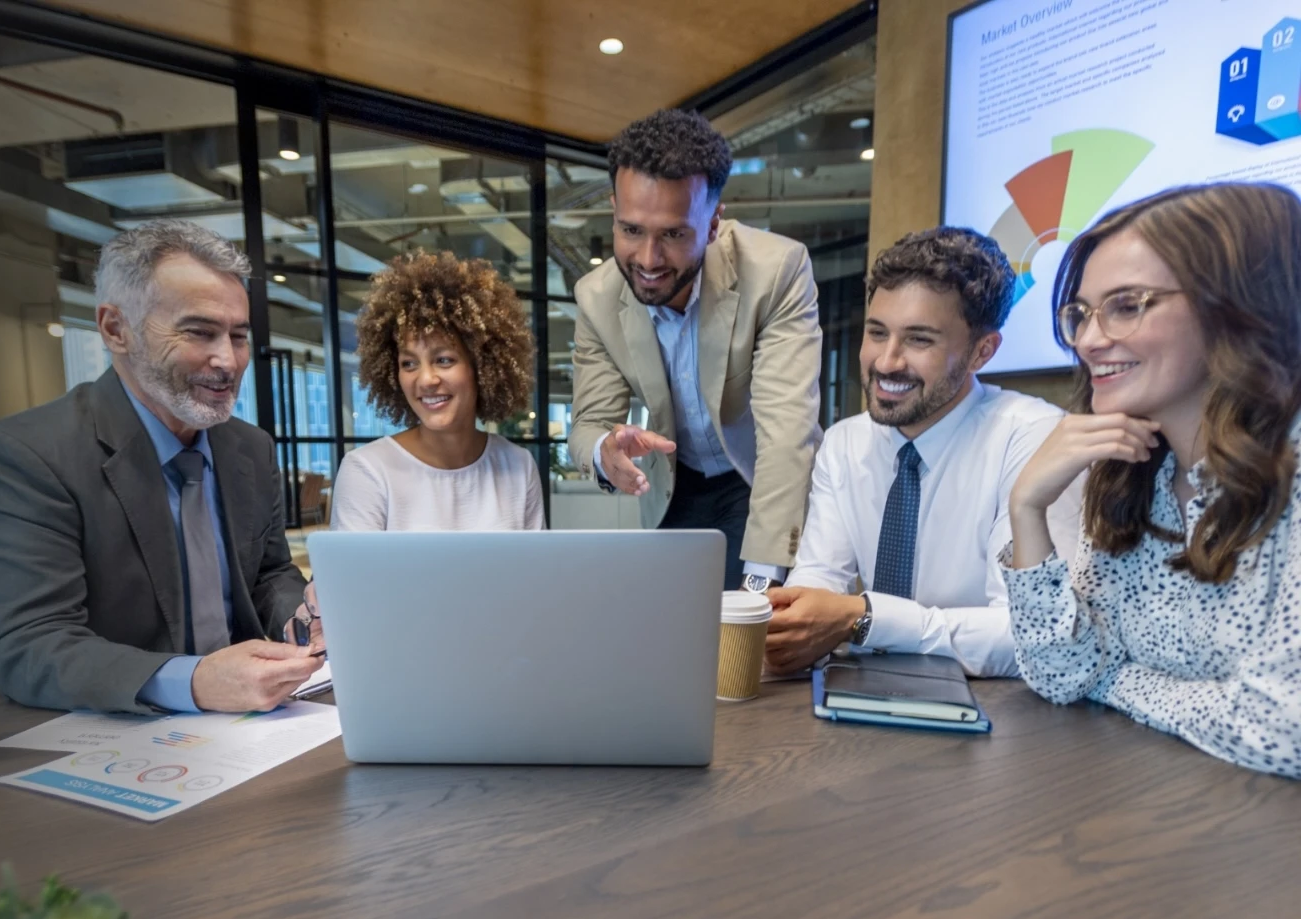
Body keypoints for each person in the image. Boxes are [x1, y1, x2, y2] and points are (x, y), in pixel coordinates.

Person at [1004, 182, 1301, 778]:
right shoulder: (1135, 470)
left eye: (1127, 304)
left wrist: (1116, 679)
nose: (1088, 340)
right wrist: (1027, 508)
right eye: (1082, 313)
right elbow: (1062, 673)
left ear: (1237, 305)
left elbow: (1282, 728)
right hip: (1162, 812)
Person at [0, 219, 321, 715]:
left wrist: (300, 616)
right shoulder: (29, 456)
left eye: (238, 336)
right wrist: (192, 682)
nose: (228, 360)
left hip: (253, 725)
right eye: (199, 332)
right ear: (116, 329)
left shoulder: (249, 448)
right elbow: (28, 647)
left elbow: (268, 574)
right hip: (118, 734)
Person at [767, 227, 1080, 677]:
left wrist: (865, 619)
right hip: (857, 699)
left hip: (996, 716)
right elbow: (820, 580)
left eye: (919, 340)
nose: (887, 361)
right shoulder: (844, 443)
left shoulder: (1033, 439)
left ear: (981, 352)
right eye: (877, 332)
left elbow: (1028, 633)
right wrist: (792, 620)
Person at [568, 109, 823, 591]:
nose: (647, 260)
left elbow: (787, 435)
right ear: (614, 211)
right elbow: (588, 426)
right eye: (631, 230)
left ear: (712, 224)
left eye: (673, 234)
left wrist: (761, 587)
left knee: (746, 645)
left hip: (757, 478)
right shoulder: (595, 297)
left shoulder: (778, 271)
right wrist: (604, 451)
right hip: (673, 485)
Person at [330, 251, 544, 531]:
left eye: (444, 360)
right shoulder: (368, 471)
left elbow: (535, 573)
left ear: (482, 366)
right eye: (409, 363)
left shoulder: (519, 466)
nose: (426, 379)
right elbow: (353, 576)